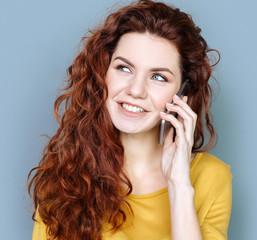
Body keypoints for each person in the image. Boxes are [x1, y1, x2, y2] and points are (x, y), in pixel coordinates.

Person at [28, 0, 232, 239]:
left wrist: (179, 185)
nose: (136, 90)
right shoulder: (66, 174)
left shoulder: (211, 178)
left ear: (182, 93)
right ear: (103, 72)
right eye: (124, 68)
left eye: (158, 77)